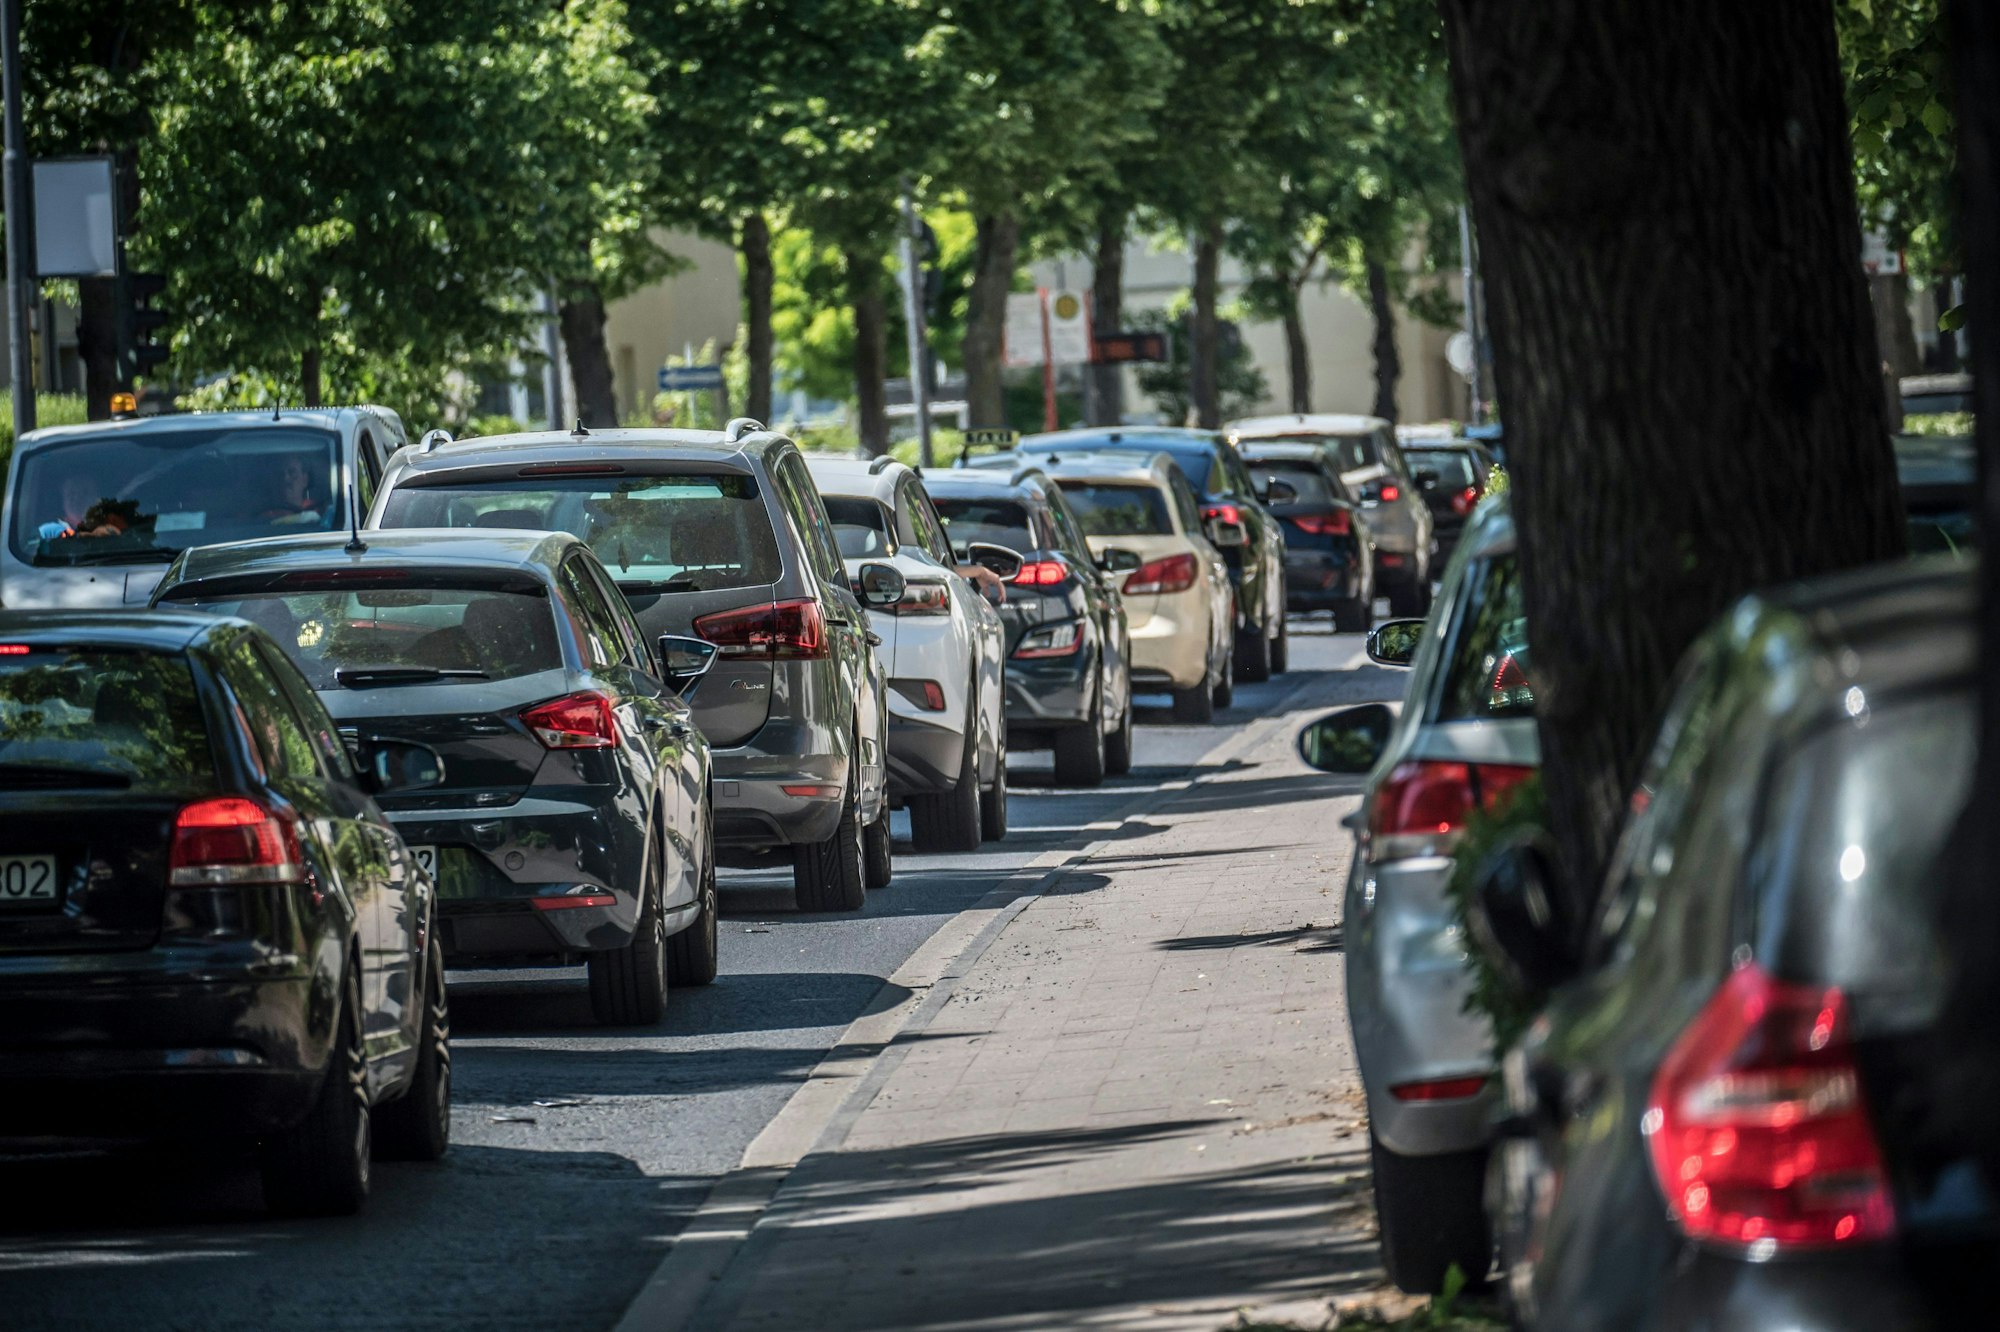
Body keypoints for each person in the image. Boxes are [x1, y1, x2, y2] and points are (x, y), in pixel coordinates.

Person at [38, 476, 128, 540]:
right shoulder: (49, 532)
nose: (78, 498)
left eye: (85, 493)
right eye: (72, 493)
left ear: (97, 497)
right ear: (63, 500)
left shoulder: (113, 525)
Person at [260, 455, 321, 524]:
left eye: (292, 472)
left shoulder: (318, 512)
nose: (285, 478)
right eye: (280, 474)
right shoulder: (265, 519)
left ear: (305, 480)